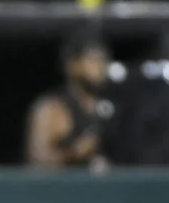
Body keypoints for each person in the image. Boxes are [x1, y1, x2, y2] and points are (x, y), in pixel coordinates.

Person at [26, 28, 110, 170]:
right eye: (92, 58)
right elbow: (37, 160)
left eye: (103, 58)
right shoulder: (53, 108)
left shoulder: (111, 106)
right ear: (72, 65)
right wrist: (74, 153)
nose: (100, 65)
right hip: (62, 189)